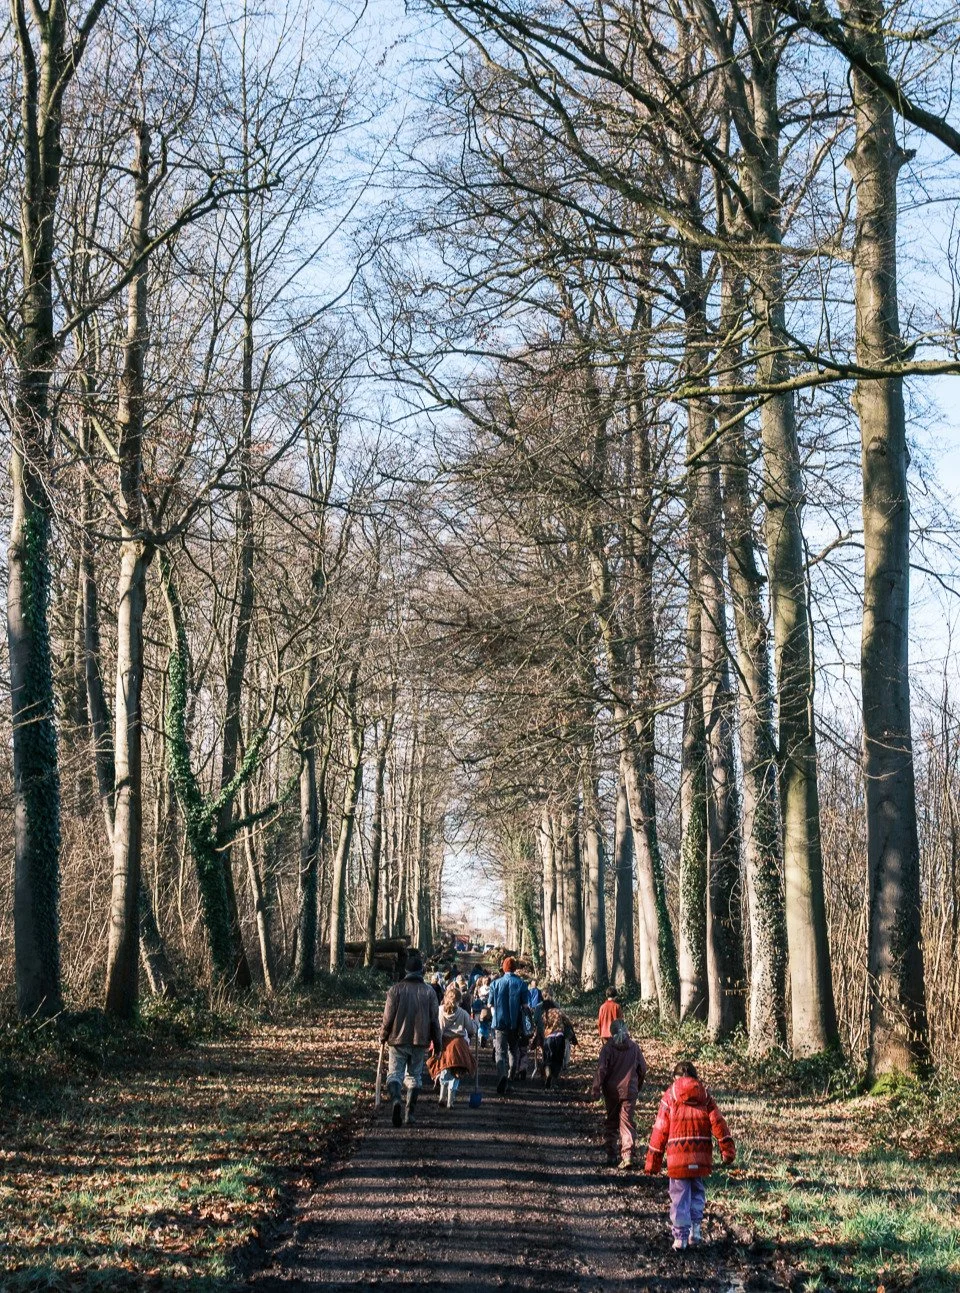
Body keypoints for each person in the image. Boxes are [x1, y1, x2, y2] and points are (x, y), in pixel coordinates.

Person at [644, 1060, 736, 1250]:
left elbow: (660, 1130)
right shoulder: (705, 1095)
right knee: (696, 1192)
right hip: (700, 1156)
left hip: (678, 1157)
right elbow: (718, 1123)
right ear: (695, 1077)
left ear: (675, 1078)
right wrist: (727, 1149)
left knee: (679, 1196)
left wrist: (653, 1162)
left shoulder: (670, 1096)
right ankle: (695, 1230)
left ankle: (680, 1238)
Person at [380, 950, 442, 1128]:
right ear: (422, 971)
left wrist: (383, 1035)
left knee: (394, 1074)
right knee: (414, 1077)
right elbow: (434, 1020)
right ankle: (410, 1113)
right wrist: (437, 1044)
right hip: (419, 1041)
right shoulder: (429, 992)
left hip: (397, 1040)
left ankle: (396, 1100)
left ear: (405, 971)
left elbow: (388, 1018)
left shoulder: (395, 990)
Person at [591, 1019, 648, 1169]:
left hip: (611, 1091)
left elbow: (601, 1070)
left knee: (611, 1122)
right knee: (627, 1123)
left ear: (611, 1032)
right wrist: (638, 1085)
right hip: (630, 1090)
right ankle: (627, 1155)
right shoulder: (634, 1048)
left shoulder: (608, 1048)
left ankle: (611, 1154)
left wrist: (596, 1088)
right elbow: (643, 1069)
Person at [428, 985, 477, 1107]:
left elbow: (437, 1028)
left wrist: (436, 1045)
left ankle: (441, 1097)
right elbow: (471, 1030)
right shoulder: (463, 1013)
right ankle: (450, 1101)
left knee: (444, 1069)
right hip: (459, 1046)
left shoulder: (440, 1010)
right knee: (457, 1073)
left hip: (444, 1044)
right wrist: (475, 1026)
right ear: (460, 1001)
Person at [486, 956, 529, 1094]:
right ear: (515, 968)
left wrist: (495, 1018)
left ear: (504, 968)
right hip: (515, 1024)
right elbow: (525, 1006)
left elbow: (490, 1004)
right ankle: (510, 1078)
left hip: (499, 1023)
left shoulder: (495, 984)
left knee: (500, 1052)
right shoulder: (521, 984)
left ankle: (502, 1076)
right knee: (513, 1051)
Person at [540, 998, 578, 1089]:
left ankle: (548, 1073)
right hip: (559, 1037)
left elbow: (542, 1027)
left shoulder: (544, 1015)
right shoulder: (558, 1011)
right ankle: (554, 1080)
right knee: (558, 1060)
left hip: (548, 1038)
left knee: (548, 1059)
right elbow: (568, 1022)